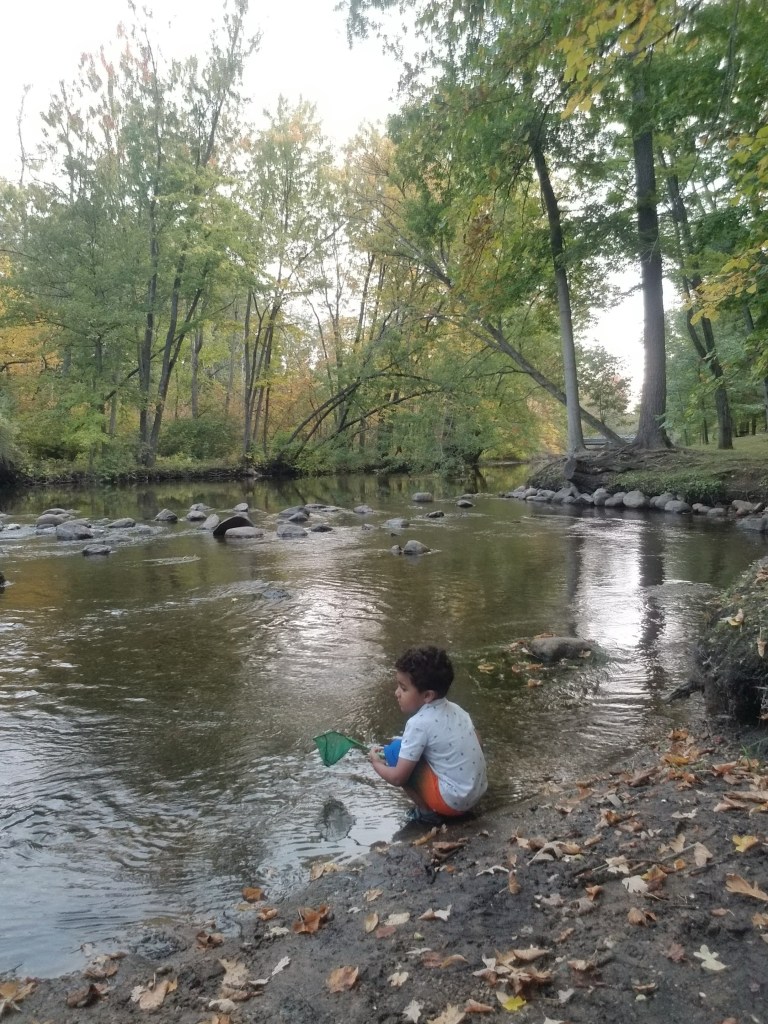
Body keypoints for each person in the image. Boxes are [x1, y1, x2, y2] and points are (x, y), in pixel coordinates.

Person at [368, 646, 487, 825]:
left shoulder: (418, 724)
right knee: (404, 746)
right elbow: (477, 740)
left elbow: (398, 778)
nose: (396, 693)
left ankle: (425, 813)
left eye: (403, 688)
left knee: (394, 752)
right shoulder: (458, 710)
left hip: (453, 804)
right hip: (476, 792)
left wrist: (376, 763)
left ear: (427, 696)